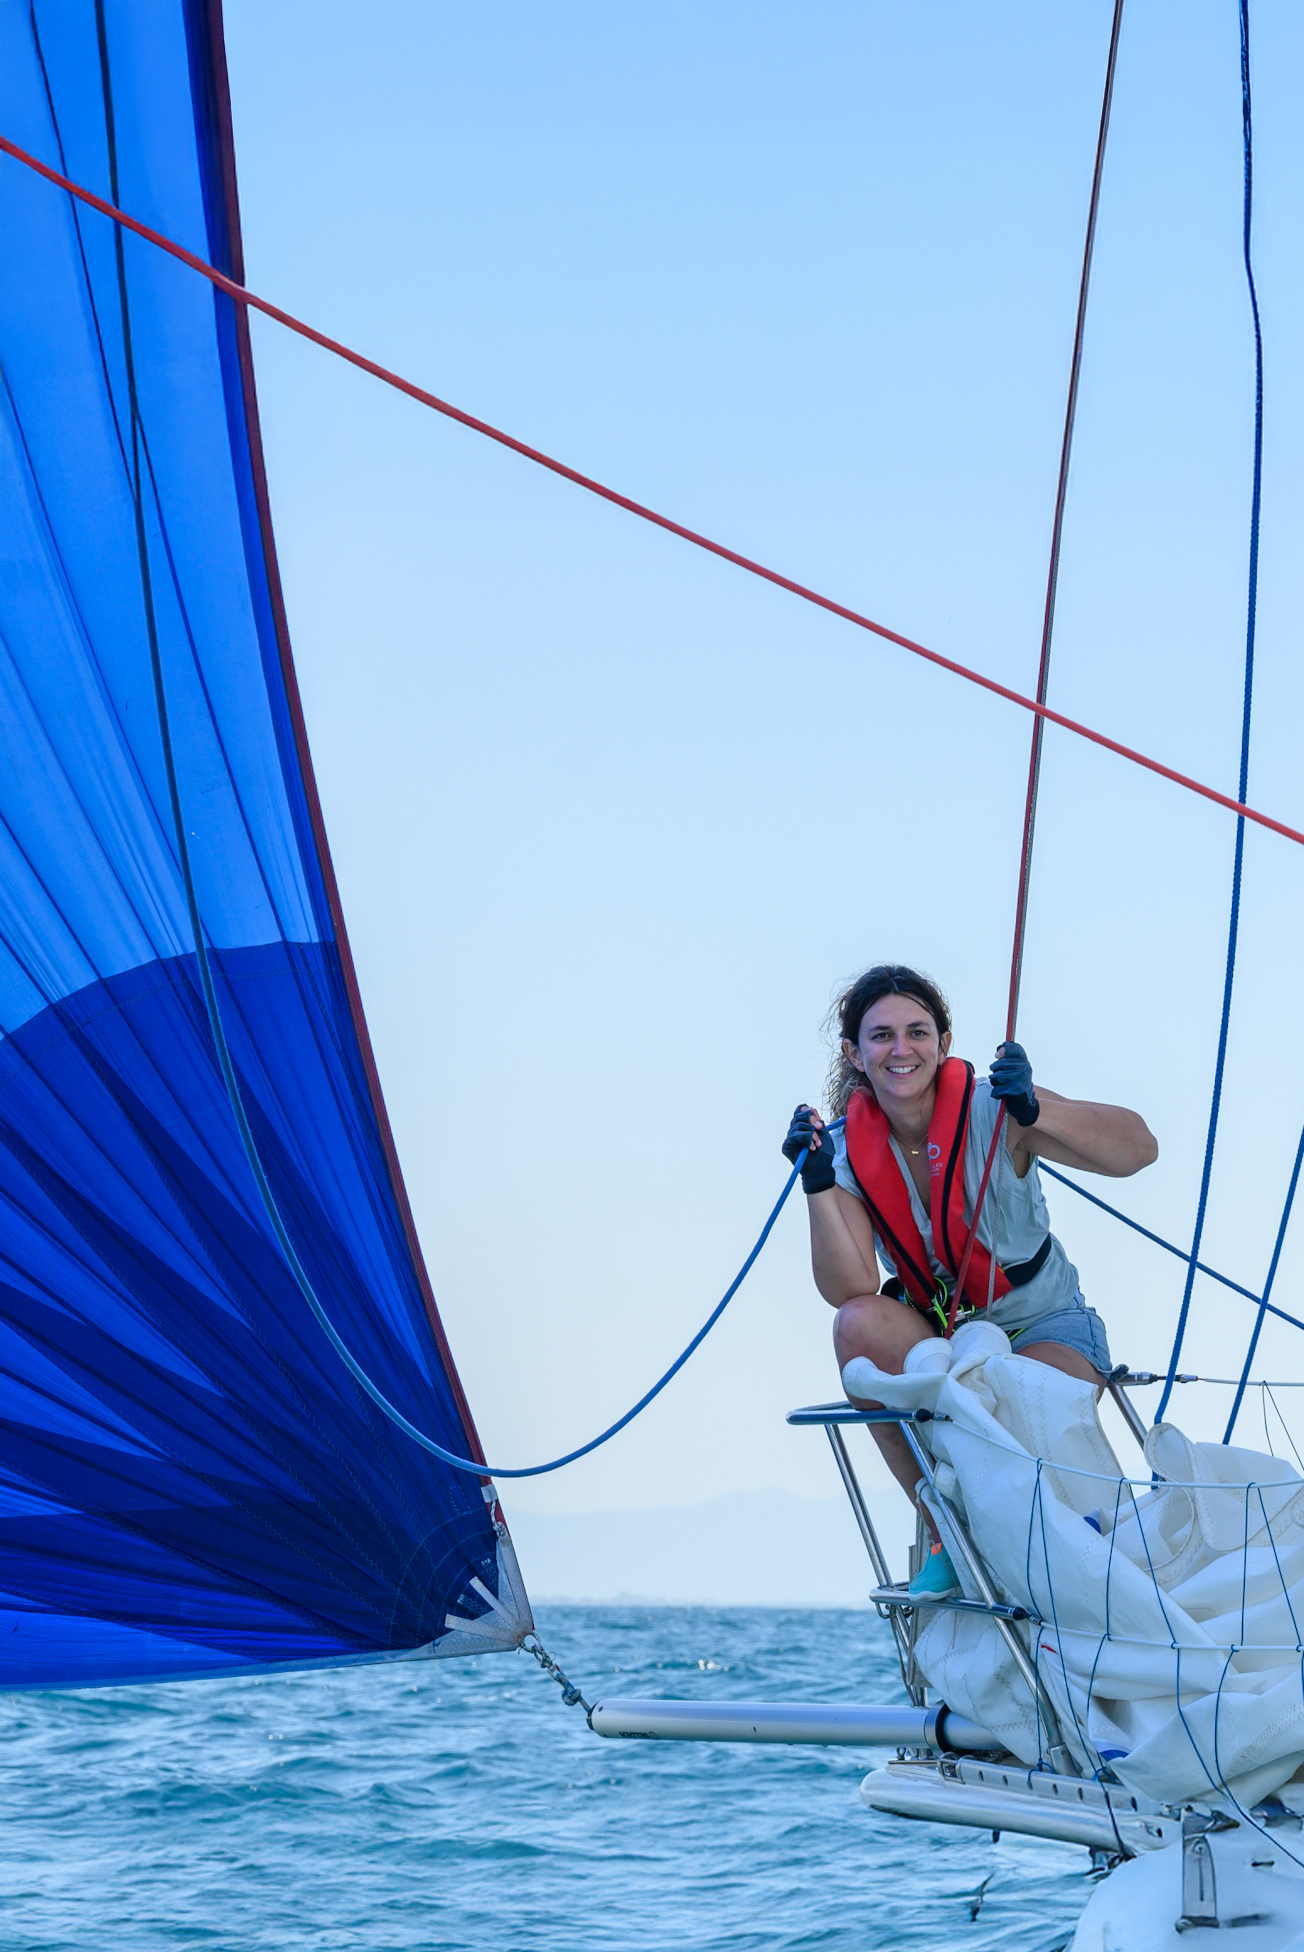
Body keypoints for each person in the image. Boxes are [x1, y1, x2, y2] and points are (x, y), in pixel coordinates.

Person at [782, 963, 1157, 1596]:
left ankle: (1076, 1555)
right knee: (856, 1322)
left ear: (943, 1043)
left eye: (917, 1032)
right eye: (881, 1036)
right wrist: (816, 1184)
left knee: (1020, 1410)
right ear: (854, 1052)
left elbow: (1138, 1150)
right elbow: (847, 1287)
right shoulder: (843, 1150)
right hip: (942, 1333)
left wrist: (1037, 1111)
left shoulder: (997, 1105)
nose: (901, 1050)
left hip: (1042, 1321)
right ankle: (941, 1528)